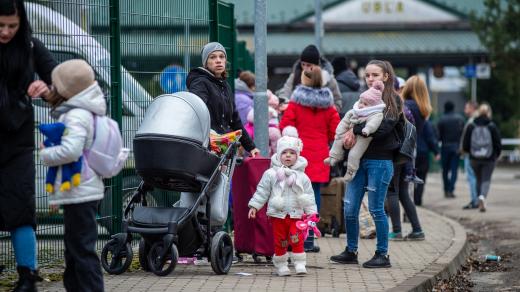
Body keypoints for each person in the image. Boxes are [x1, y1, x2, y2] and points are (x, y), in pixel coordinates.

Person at [0, 0, 57, 288]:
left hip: (18, 143)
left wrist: (47, 90)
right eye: (0, 25)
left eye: (13, 25)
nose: (6, 32)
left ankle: (27, 276)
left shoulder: (31, 47)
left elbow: (60, 84)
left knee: (21, 207)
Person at [39, 60, 105, 291]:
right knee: (75, 250)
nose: (52, 88)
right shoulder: (80, 111)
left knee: (81, 251)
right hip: (81, 191)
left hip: (81, 193)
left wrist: (45, 153)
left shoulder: (76, 115)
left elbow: (72, 150)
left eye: (55, 85)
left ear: (67, 89)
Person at [330, 60, 402, 268]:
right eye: (368, 75)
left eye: (375, 75)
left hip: (380, 161)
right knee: (349, 207)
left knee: (376, 209)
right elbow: (348, 120)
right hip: (358, 160)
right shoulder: (363, 98)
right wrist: (351, 131)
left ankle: (383, 254)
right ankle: (351, 250)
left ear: (386, 77)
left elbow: (383, 128)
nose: (370, 78)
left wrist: (357, 129)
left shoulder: (393, 100)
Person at [279, 67, 340, 252]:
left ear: (304, 80)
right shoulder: (329, 107)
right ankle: (309, 240)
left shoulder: (295, 104)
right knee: (313, 198)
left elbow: (285, 126)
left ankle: (293, 239)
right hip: (320, 156)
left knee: (295, 197)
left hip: (298, 156)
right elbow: (334, 132)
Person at [247, 127, 317, 276]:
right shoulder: (271, 174)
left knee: (296, 238)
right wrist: (254, 206)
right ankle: (281, 264)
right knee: (281, 240)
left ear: (297, 156)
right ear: (278, 155)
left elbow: (309, 195)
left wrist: (312, 213)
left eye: (292, 153)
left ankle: (299, 263)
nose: (288, 156)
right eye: (284, 153)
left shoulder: (302, 177)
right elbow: (262, 191)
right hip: (277, 214)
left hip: (296, 214)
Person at [187, 42, 259, 157]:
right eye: (213, 57)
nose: (218, 60)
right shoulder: (200, 83)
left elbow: (235, 120)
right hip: (207, 149)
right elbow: (197, 112)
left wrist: (251, 147)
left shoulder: (225, 85)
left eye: (221, 56)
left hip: (224, 148)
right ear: (205, 62)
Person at [385, 75, 431, 241]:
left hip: (398, 151)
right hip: (409, 153)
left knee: (392, 191)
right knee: (403, 192)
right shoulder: (423, 108)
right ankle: (417, 229)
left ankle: (396, 231)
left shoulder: (407, 106)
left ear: (409, 89)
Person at [324, 80, 386, 181]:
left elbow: (373, 123)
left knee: (354, 154)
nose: (361, 105)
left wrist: (367, 129)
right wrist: (340, 131)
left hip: (364, 136)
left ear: (373, 106)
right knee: (337, 140)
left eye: (366, 104)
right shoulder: (355, 110)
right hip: (349, 131)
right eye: (361, 102)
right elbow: (345, 121)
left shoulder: (376, 114)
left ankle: (350, 172)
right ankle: (333, 157)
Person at [278, 44, 342, 112]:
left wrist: (325, 112)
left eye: (309, 65)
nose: (305, 68)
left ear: (317, 65)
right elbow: (285, 94)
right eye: (303, 64)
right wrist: (287, 105)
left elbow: (337, 102)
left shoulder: (329, 80)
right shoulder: (294, 77)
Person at [462, 103, 501, 212]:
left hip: (474, 158)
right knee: (486, 179)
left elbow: (465, 144)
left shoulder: (471, 125)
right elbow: (498, 143)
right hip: (489, 158)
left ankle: (478, 198)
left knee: (478, 179)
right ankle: (482, 197)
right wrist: (496, 155)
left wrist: (470, 154)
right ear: (488, 113)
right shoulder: (492, 126)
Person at [437, 101, 465, 198]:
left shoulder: (442, 120)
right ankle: (451, 189)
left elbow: (438, 136)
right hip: (456, 147)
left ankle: (446, 189)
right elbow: (463, 135)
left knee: (445, 170)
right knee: (454, 170)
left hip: (445, 147)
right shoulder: (460, 119)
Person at [414, 120, 440, 206]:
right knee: (421, 177)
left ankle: (412, 199)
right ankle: (417, 200)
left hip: (411, 152)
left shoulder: (410, 119)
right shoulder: (426, 123)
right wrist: (436, 152)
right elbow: (430, 138)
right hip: (423, 153)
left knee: (411, 177)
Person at [460, 101, 479, 209]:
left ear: (472, 108)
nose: (464, 110)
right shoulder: (479, 120)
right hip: (478, 153)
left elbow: (467, 139)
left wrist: (463, 150)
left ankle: (474, 201)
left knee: (471, 177)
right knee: (476, 177)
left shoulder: (472, 121)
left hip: (470, 153)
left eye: (466, 108)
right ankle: (477, 199)